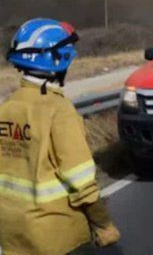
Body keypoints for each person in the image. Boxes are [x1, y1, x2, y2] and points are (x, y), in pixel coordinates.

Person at [0, 19, 120, 255]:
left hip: (13, 235)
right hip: (57, 237)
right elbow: (81, 180)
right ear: (57, 59)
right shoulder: (59, 110)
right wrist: (104, 224)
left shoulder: (7, 108)